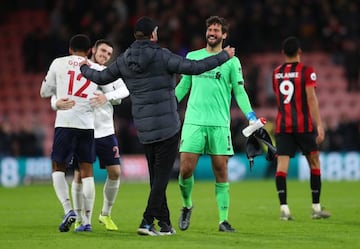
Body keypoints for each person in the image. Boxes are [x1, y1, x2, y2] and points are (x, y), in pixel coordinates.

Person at [79, 16, 235, 236]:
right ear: (153, 34)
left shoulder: (125, 59)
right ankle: (146, 222)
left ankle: (165, 224)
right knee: (161, 180)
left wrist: (84, 69)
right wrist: (223, 56)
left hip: (144, 127)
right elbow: (195, 67)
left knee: (156, 177)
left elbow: (102, 77)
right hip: (167, 127)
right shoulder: (162, 56)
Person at [175, 16, 257, 232]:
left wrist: (250, 115)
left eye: (216, 30)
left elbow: (239, 91)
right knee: (185, 169)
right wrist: (168, 105)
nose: (212, 33)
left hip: (219, 124)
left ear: (224, 35)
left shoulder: (232, 61)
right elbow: (184, 86)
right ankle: (186, 205)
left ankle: (223, 220)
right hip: (193, 122)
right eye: (209, 29)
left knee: (221, 170)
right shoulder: (193, 57)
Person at [51, 39, 129, 231]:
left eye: (109, 54)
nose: (105, 55)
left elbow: (125, 90)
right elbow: (57, 90)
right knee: (80, 176)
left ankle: (105, 214)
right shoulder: (81, 70)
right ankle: (80, 218)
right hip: (84, 130)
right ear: (93, 50)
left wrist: (107, 96)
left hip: (105, 131)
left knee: (115, 172)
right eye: (102, 51)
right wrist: (56, 102)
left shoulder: (108, 73)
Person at [40, 34, 99, 232]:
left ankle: (68, 209)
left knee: (58, 166)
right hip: (87, 125)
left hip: (65, 122)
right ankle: (87, 221)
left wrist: (57, 97)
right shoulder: (95, 67)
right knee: (87, 172)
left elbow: (44, 92)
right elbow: (115, 93)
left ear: (70, 49)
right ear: (90, 50)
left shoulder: (59, 63)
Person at [272, 36, 331, 220]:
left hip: (283, 125)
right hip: (303, 126)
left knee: (282, 168)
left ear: (283, 53)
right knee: (314, 163)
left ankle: (284, 209)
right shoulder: (307, 71)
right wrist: (319, 126)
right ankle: (316, 207)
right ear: (300, 52)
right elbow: (311, 99)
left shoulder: (276, 73)